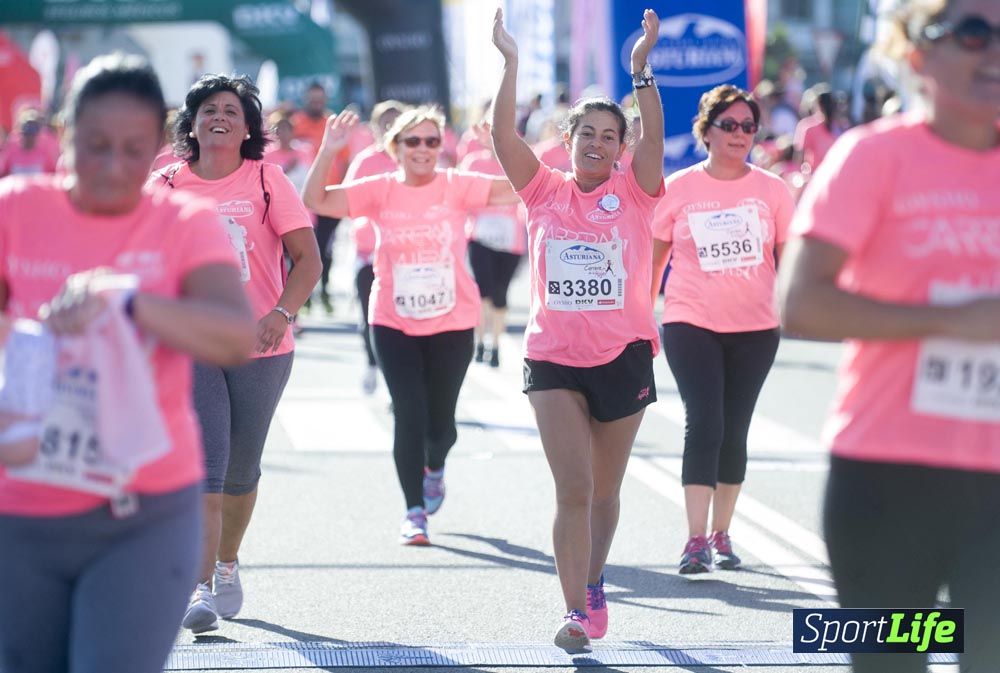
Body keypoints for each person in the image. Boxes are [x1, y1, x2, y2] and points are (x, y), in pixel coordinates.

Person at [0, 53, 255, 673]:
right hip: (23, 509)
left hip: (142, 511)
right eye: (95, 147)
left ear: (158, 150)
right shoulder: (16, 209)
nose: (113, 169)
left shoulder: (183, 223)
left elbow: (233, 336)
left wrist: (132, 302)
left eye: (133, 150)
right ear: (65, 133)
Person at [778, 1, 1000, 671]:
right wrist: (951, 320)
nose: (992, 50)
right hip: (886, 479)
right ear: (918, 56)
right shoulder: (874, 156)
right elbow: (801, 305)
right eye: (972, 32)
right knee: (890, 663)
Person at [491, 7, 664, 652]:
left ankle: (594, 585)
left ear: (621, 147)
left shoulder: (638, 190)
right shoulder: (542, 191)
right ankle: (572, 611)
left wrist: (639, 70)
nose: (596, 142)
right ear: (567, 141)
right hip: (554, 358)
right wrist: (510, 63)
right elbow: (499, 134)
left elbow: (655, 141)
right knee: (572, 488)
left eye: (608, 135)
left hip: (623, 355)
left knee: (605, 491)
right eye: (585, 132)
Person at [149, 73, 321, 634]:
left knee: (242, 470)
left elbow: (308, 260)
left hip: (262, 345)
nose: (218, 116)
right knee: (207, 466)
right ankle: (195, 586)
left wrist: (281, 313)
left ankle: (226, 562)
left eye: (231, 110)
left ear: (247, 126)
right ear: (192, 123)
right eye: (207, 109)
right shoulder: (167, 182)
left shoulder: (268, 180)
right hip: (193, 342)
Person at [303, 105, 519, 546]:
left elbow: (523, 188)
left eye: (432, 141)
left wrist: (503, 148)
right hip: (392, 318)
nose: (423, 149)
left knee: (442, 425)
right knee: (409, 413)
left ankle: (435, 467)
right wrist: (328, 151)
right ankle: (413, 511)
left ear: (443, 147)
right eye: (413, 141)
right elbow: (317, 200)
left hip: (453, 320)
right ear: (395, 147)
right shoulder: (378, 189)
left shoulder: (457, 185)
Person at [651, 85, 794, 575]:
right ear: (705, 130)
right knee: (704, 421)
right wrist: (641, 313)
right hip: (691, 320)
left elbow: (789, 256)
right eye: (728, 125)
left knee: (735, 428)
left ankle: (722, 532)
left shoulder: (773, 190)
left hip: (756, 326)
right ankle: (694, 539)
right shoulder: (680, 188)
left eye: (748, 127)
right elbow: (657, 253)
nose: (739, 135)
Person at [342, 99, 408, 394]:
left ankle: (399, 384)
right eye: (386, 123)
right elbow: (347, 202)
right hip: (369, 256)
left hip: (407, 258)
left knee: (404, 323)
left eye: (397, 122)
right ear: (375, 127)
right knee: (371, 319)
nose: (391, 128)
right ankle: (371, 363)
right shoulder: (366, 161)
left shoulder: (414, 158)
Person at [459, 121, 527, 368]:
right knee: (482, 291)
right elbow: (462, 195)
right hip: (480, 235)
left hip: (511, 239)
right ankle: (479, 342)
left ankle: (496, 345)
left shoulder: (516, 163)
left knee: (500, 295)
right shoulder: (473, 162)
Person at [292, 82, 344, 314]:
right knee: (301, 250)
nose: (316, 103)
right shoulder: (295, 124)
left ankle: (324, 291)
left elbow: (345, 159)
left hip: (329, 196)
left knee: (326, 248)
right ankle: (303, 296)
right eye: (312, 99)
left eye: (319, 99)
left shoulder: (332, 123)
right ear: (305, 99)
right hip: (300, 200)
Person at [792, 83, 843, 173]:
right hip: (819, 175)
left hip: (821, 176)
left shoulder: (807, 126)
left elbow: (798, 157)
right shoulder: (841, 126)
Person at [0, 109, 59, 177]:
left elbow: (52, 176)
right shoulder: (10, 149)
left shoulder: (44, 152)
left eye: (32, 136)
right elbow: (2, 174)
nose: (29, 139)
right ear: (21, 134)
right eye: (26, 135)